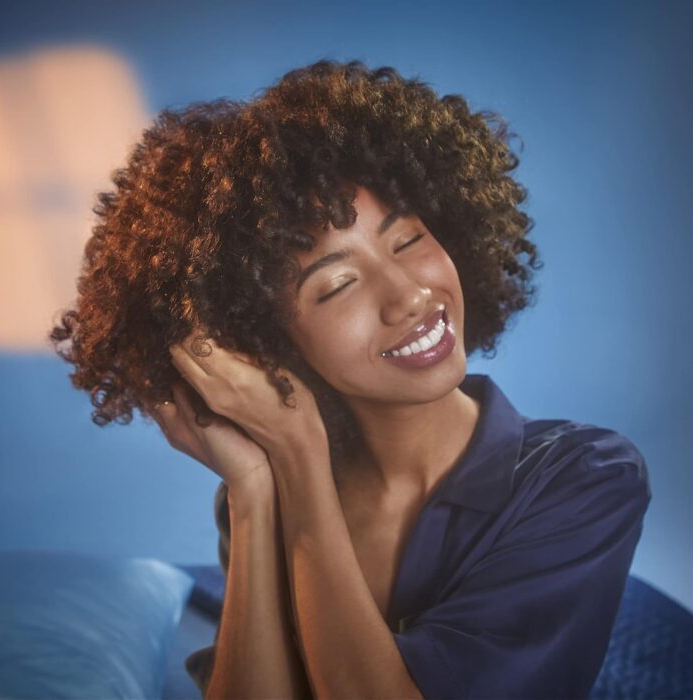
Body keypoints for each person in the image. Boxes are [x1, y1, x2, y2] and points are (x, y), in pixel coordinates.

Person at [49, 59, 652, 699]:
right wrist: (255, 488)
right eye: (337, 286)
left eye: (409, 240)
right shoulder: (265, 489)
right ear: (264, 344)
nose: (409, 296)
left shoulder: (586, 476)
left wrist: (297, 468)